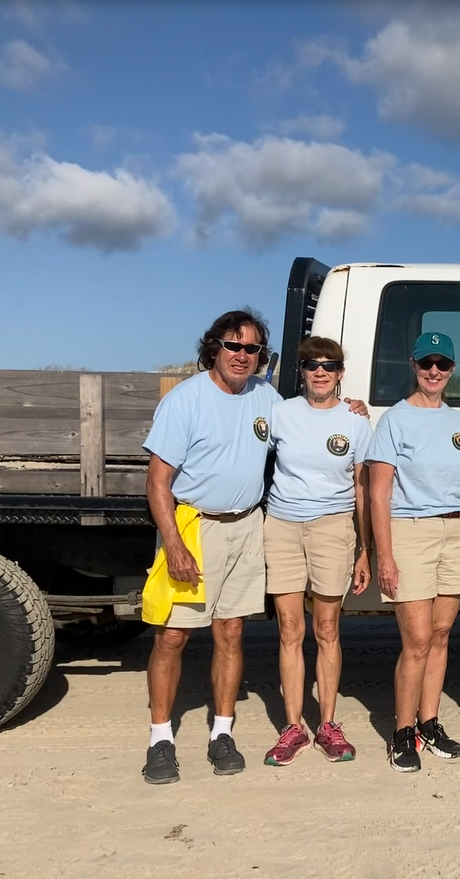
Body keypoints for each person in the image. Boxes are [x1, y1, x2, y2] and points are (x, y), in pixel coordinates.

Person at [140, 311, 284, 784]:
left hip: (246, 526)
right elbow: (158, 482)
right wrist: (176, 546)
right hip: (194, 527)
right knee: (173, 636)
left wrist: (351, 410)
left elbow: (308, 424)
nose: (243, 356)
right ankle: (161, 739)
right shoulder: (186, 400)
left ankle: (222, 733)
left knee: (232, 634)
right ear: (214, 348)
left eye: (253, 349)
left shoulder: (266, 396)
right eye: (234, 346)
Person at [367, 332, 460, 773]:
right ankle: (402, 732)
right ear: (413, 365)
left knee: (441, 634)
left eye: (443, 364)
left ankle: (429, 723)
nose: (434, 371)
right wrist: (385, 556)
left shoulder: (458, 422)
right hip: (409, 533)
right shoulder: (395, 420)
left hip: (454, 533)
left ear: (452, 369)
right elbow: (379, 494)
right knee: (415, 640)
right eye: (426, 362)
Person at [262, 337, 374, 767]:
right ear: (302, 372)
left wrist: (365, 550)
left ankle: (327, 724)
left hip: (333, 527)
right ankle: (293, 727)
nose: (320, 372)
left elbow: (363, 488)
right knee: (290, 630)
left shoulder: (356, 419)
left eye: (329, 365)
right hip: (283, 526)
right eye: (312, 365)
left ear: (341, 372)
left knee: (327, 629)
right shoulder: (280, 413)